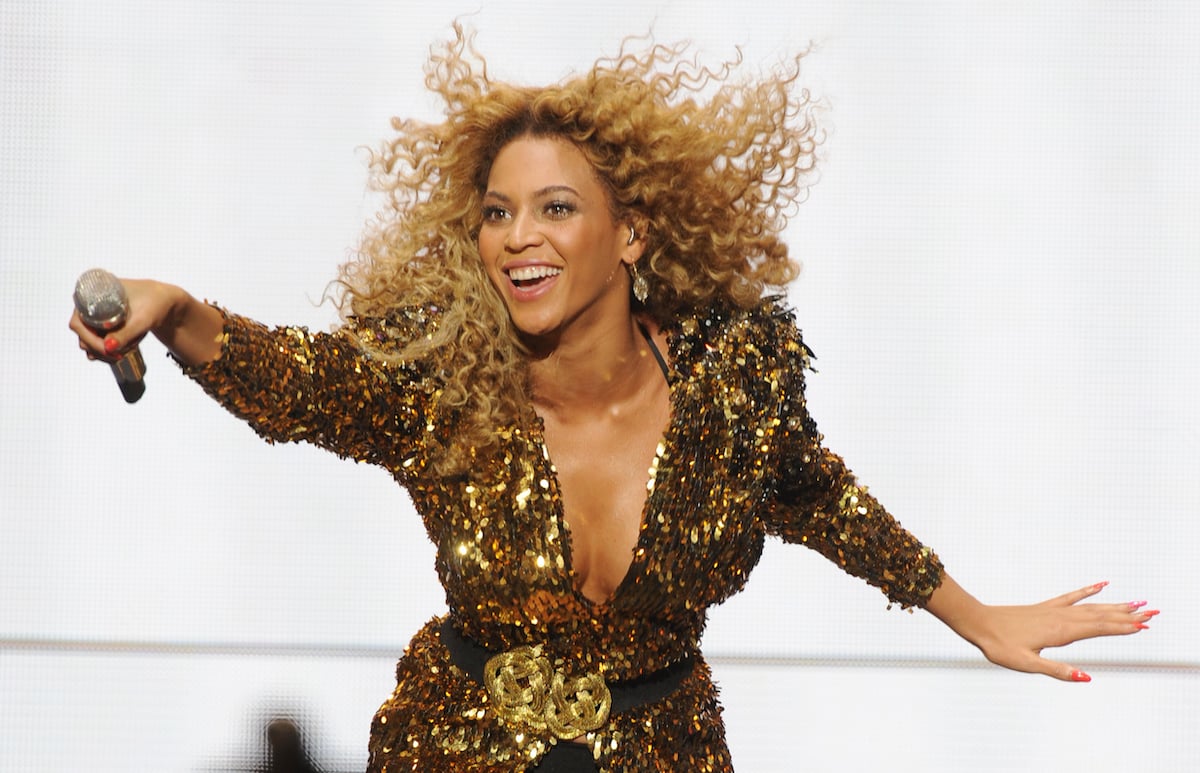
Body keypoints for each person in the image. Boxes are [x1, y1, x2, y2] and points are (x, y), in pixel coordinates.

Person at [70, 26, 1155, 773]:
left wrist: (977, 618)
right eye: (497, 213)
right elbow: (297, 381)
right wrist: (170, 311)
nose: (519, 238)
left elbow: (822, 500)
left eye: (554, 206)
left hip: (663, 747)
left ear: (631, 234)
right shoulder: (443, 388)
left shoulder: (733, 391)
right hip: (457, 745)